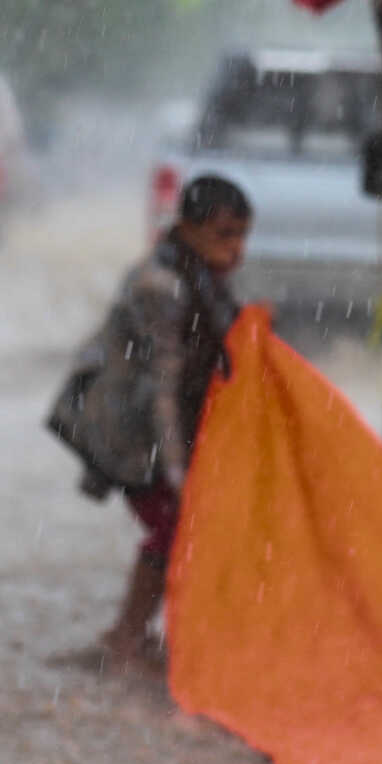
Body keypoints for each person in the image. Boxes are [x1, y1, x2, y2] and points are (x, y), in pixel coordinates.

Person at [47, 174, 252, 670]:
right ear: (188, 227)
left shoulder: (200, 275)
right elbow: (160, 386)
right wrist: (178, 473)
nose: (236, 248)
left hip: (157, 428)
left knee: (185, 530)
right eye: (224, 234)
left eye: (242, 235)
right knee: (177, 528)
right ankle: (125, 642)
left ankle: (143, 640)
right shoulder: (161, 285)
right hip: (129, 429)